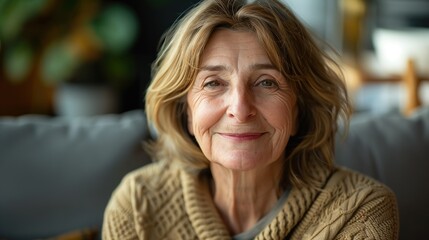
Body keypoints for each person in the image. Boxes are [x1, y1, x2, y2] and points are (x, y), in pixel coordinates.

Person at [102, 0, 399, 239]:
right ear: (186, 112)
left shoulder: (360, 211)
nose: (240, 109)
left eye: (267, 82)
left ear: (299, 110)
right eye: (213, 83)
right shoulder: (138, 205)